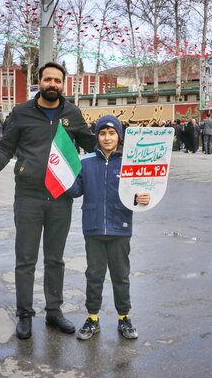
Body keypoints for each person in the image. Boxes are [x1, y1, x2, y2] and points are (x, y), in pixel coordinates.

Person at [0, 62, 95, 339]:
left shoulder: (72, 114)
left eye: (58, 80)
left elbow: (92, 144)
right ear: (40, 82)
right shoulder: (21, 112)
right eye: (48, 79)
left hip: (61, 197)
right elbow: (5, 147)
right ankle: (24, 314)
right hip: (28, 197)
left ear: (63, 84)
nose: (53, 84)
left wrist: (118, 150)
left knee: (55, 259)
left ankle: (54, 312)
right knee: (26, 259)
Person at [67, 115, 149, 341]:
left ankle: (124, 317)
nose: (107, 137)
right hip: (93, 229)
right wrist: (62, 178)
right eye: (102, 133)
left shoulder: (129, 164)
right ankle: (93, 318)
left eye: (112, 133)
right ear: (97, 136)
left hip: (120, 228)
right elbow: (75, 191)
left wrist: (144, 197)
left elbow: (141, 191)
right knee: (94, 275)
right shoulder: (86, 162)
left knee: (121, 276)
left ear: (119, 137)